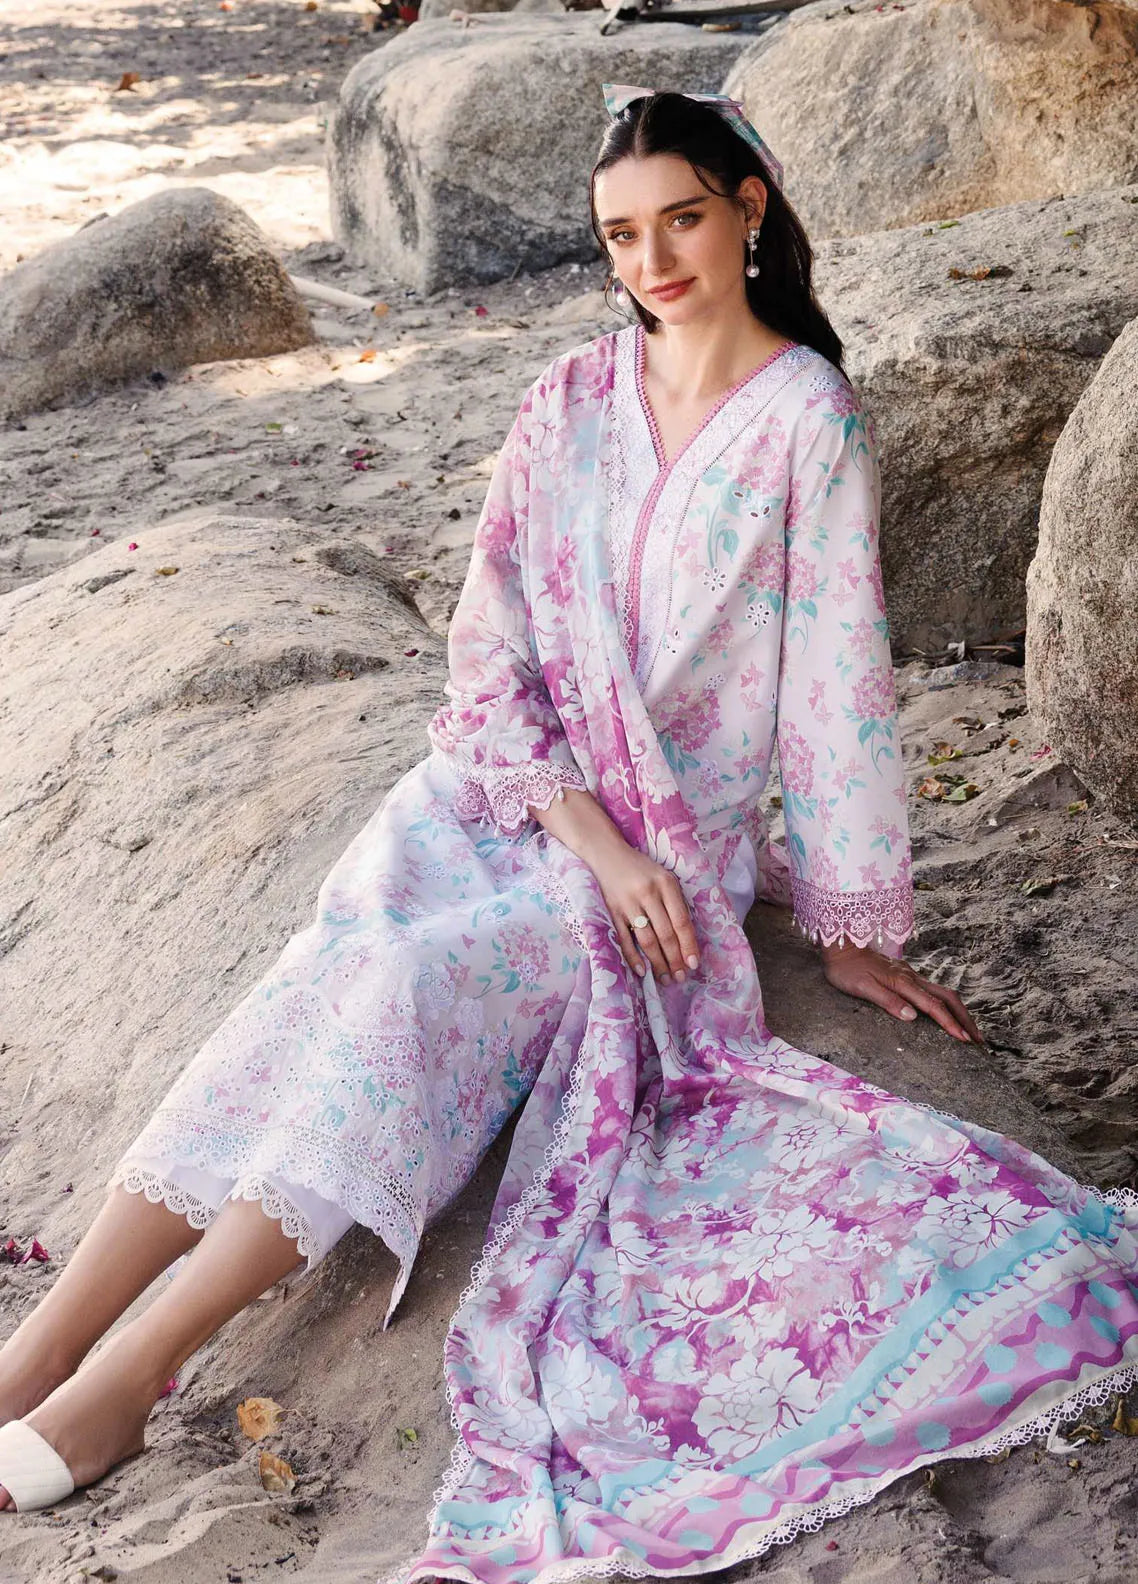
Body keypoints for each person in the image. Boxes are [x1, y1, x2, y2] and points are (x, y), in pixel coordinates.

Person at [0, 83, 1134, 1584]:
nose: (653, 261)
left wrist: (847, 926)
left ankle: (136, 1374)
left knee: (413, 997)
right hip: (504, 795)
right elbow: (488, 645)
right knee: (322, 980)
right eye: (620, 235)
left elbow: (835, 691)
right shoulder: (570, 398)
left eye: (682, 219)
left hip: (665, 856)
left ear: (749, 208)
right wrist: (579, 825)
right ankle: (42, 1348)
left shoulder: (809, 420)